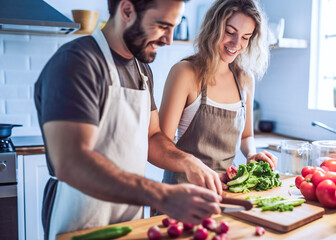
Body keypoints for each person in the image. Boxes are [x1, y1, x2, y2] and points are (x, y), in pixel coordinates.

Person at [34, 0, 223, 239]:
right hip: (80, 220)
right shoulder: (77, 63)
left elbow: (153, 136)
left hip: (128, 219)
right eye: (163, 26)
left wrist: (188, 162)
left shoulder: (142, 70)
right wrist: (162, 195)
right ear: (127, 11)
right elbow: (73, 162)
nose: (169, 39)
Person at [159, 0, 278, 186]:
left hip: (223, 193)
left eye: (245, 37)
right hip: (181, 192)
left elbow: (246, 136)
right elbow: (161, 143)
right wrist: (192, 166)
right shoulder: (185, 73)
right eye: (230, 32)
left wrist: (252, 154)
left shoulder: (245, 79)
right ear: (213, 27)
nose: (236, 44)